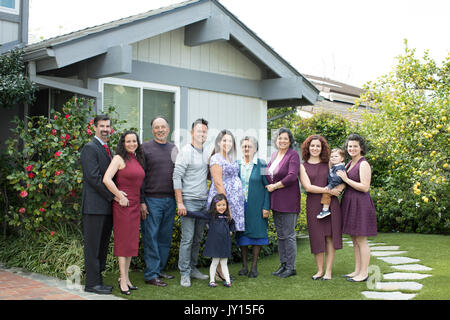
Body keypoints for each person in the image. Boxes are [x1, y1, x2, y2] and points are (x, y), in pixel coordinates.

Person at [103, 131, 145, 295]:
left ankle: (126, 278)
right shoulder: (118, 158)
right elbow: (106, 179)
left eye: (134, 141)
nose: (132, 144)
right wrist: (119, 196)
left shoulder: (136, 158)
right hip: (123, 206)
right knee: (123, 243)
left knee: (130, 243)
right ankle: (122, 280)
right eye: (128, 141)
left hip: (134, 204)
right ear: (123, 143)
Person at [140, 117, 178, 287]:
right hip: (152, 200)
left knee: (164, 237)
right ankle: (151, 274)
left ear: (168, 129)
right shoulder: (144, 148)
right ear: (152, 130)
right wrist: (142, 201)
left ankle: (160, 269)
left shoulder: (173, 148)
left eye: (163, 127)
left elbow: (179, 174)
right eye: (157, 127)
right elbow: (139, 177)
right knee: (151, 237)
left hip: (170, 200)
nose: (160, 130)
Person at [80, 114, 116, 294]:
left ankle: (98, 280)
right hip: (94, 208)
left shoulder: (107, 149)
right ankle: (92, 284)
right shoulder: (89, 148)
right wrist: (114, 195)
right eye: (102, 126)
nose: (105, 129)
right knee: (93, 247)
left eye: (108, 126)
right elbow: (93, 178)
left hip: (106, 208)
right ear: (94, 127)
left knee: (102, 246)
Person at [299, 135, 344, 281]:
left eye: (318, 146)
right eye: (312, 145)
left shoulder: (329, 163)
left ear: (322, 148)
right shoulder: (302, 166)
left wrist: (339, 189)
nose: (315, 148)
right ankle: (319, 270)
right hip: (313, 204)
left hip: (330, 203)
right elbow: (308, 187)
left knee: (329, 238)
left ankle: (328, 271)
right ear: (307, 147)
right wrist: (329, 190)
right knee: (317, 238)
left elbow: (342, 177)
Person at [173, 118, 210, 287]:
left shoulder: (206, 152)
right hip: (188, 201)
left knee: (197, 238)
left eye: (204, 131)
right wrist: (180, 202)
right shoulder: (186, 151)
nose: (202, 134)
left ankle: (193, 268)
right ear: (192, 133)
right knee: (187, 239)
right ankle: (184, 273)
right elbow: (176, 176)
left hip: (203, 202)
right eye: (199, 131)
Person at [337, 134, 377, 282]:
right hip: (350, 202)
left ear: (361, 148)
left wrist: (346, 179)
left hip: (360, 203)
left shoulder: (363, 164)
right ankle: (357, 271)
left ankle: (364, 273)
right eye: (349, 146)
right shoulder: (349, 163)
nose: (352, 148)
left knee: (361, 240)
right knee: (354, 240)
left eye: (355, 146)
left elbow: (365, 187)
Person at [265, 128, 300, 278]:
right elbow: (267, 174)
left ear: (290, 141)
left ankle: (291, 267)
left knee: (289, 234)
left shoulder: (293, 155)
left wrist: (275, 186)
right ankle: (283, 264)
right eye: (280, 138)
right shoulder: (274, 155)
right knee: (280, 235)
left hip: (289, 201)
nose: (282, 141)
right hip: (276, 201)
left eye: (285, 138)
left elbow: (292, 176)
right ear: (276, 140)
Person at [236, 136, 270, 278]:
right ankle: (244, 266)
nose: (246, 149)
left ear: (255, 149)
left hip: (257, 207)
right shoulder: (236, 164)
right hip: (240, 206)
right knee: (242, 236)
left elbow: (268, 186)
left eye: (249, 146)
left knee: (257, 236)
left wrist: (266, 206)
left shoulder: (262, 165)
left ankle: (254, 267)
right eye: (244, 146)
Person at [186, 193, 235, 288]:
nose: (222, 207)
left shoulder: (227, 217)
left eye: (224, 205)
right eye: (219, 205)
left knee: (224, 263)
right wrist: (186, 212)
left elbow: (233, 223)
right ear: (214, 206)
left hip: (224, 244)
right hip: (215, 244)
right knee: (215, 262)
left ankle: (228, 281)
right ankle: (212, 281)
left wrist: (231, 230)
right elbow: (198, 214)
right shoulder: (211, 216)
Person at [207, 130, 245, 231]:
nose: (227, 143)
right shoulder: (216, 158)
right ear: (219, 142)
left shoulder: (230, 158)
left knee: (228, 232)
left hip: (233, 201)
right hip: (222, 201)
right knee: (220, 231)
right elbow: (218, 183)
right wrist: (226, 205)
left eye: (230, 141)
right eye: (224, 140)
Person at [317, 148, 346, 219]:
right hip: (334, 184)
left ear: (342, 158)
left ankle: (325, 210)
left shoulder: (340, 167)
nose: (333, 158)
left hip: (336, 185)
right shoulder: (335, 166)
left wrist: (330, 186)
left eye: (336, 156)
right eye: (332, 156)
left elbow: (337, 179)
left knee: (326, 194)